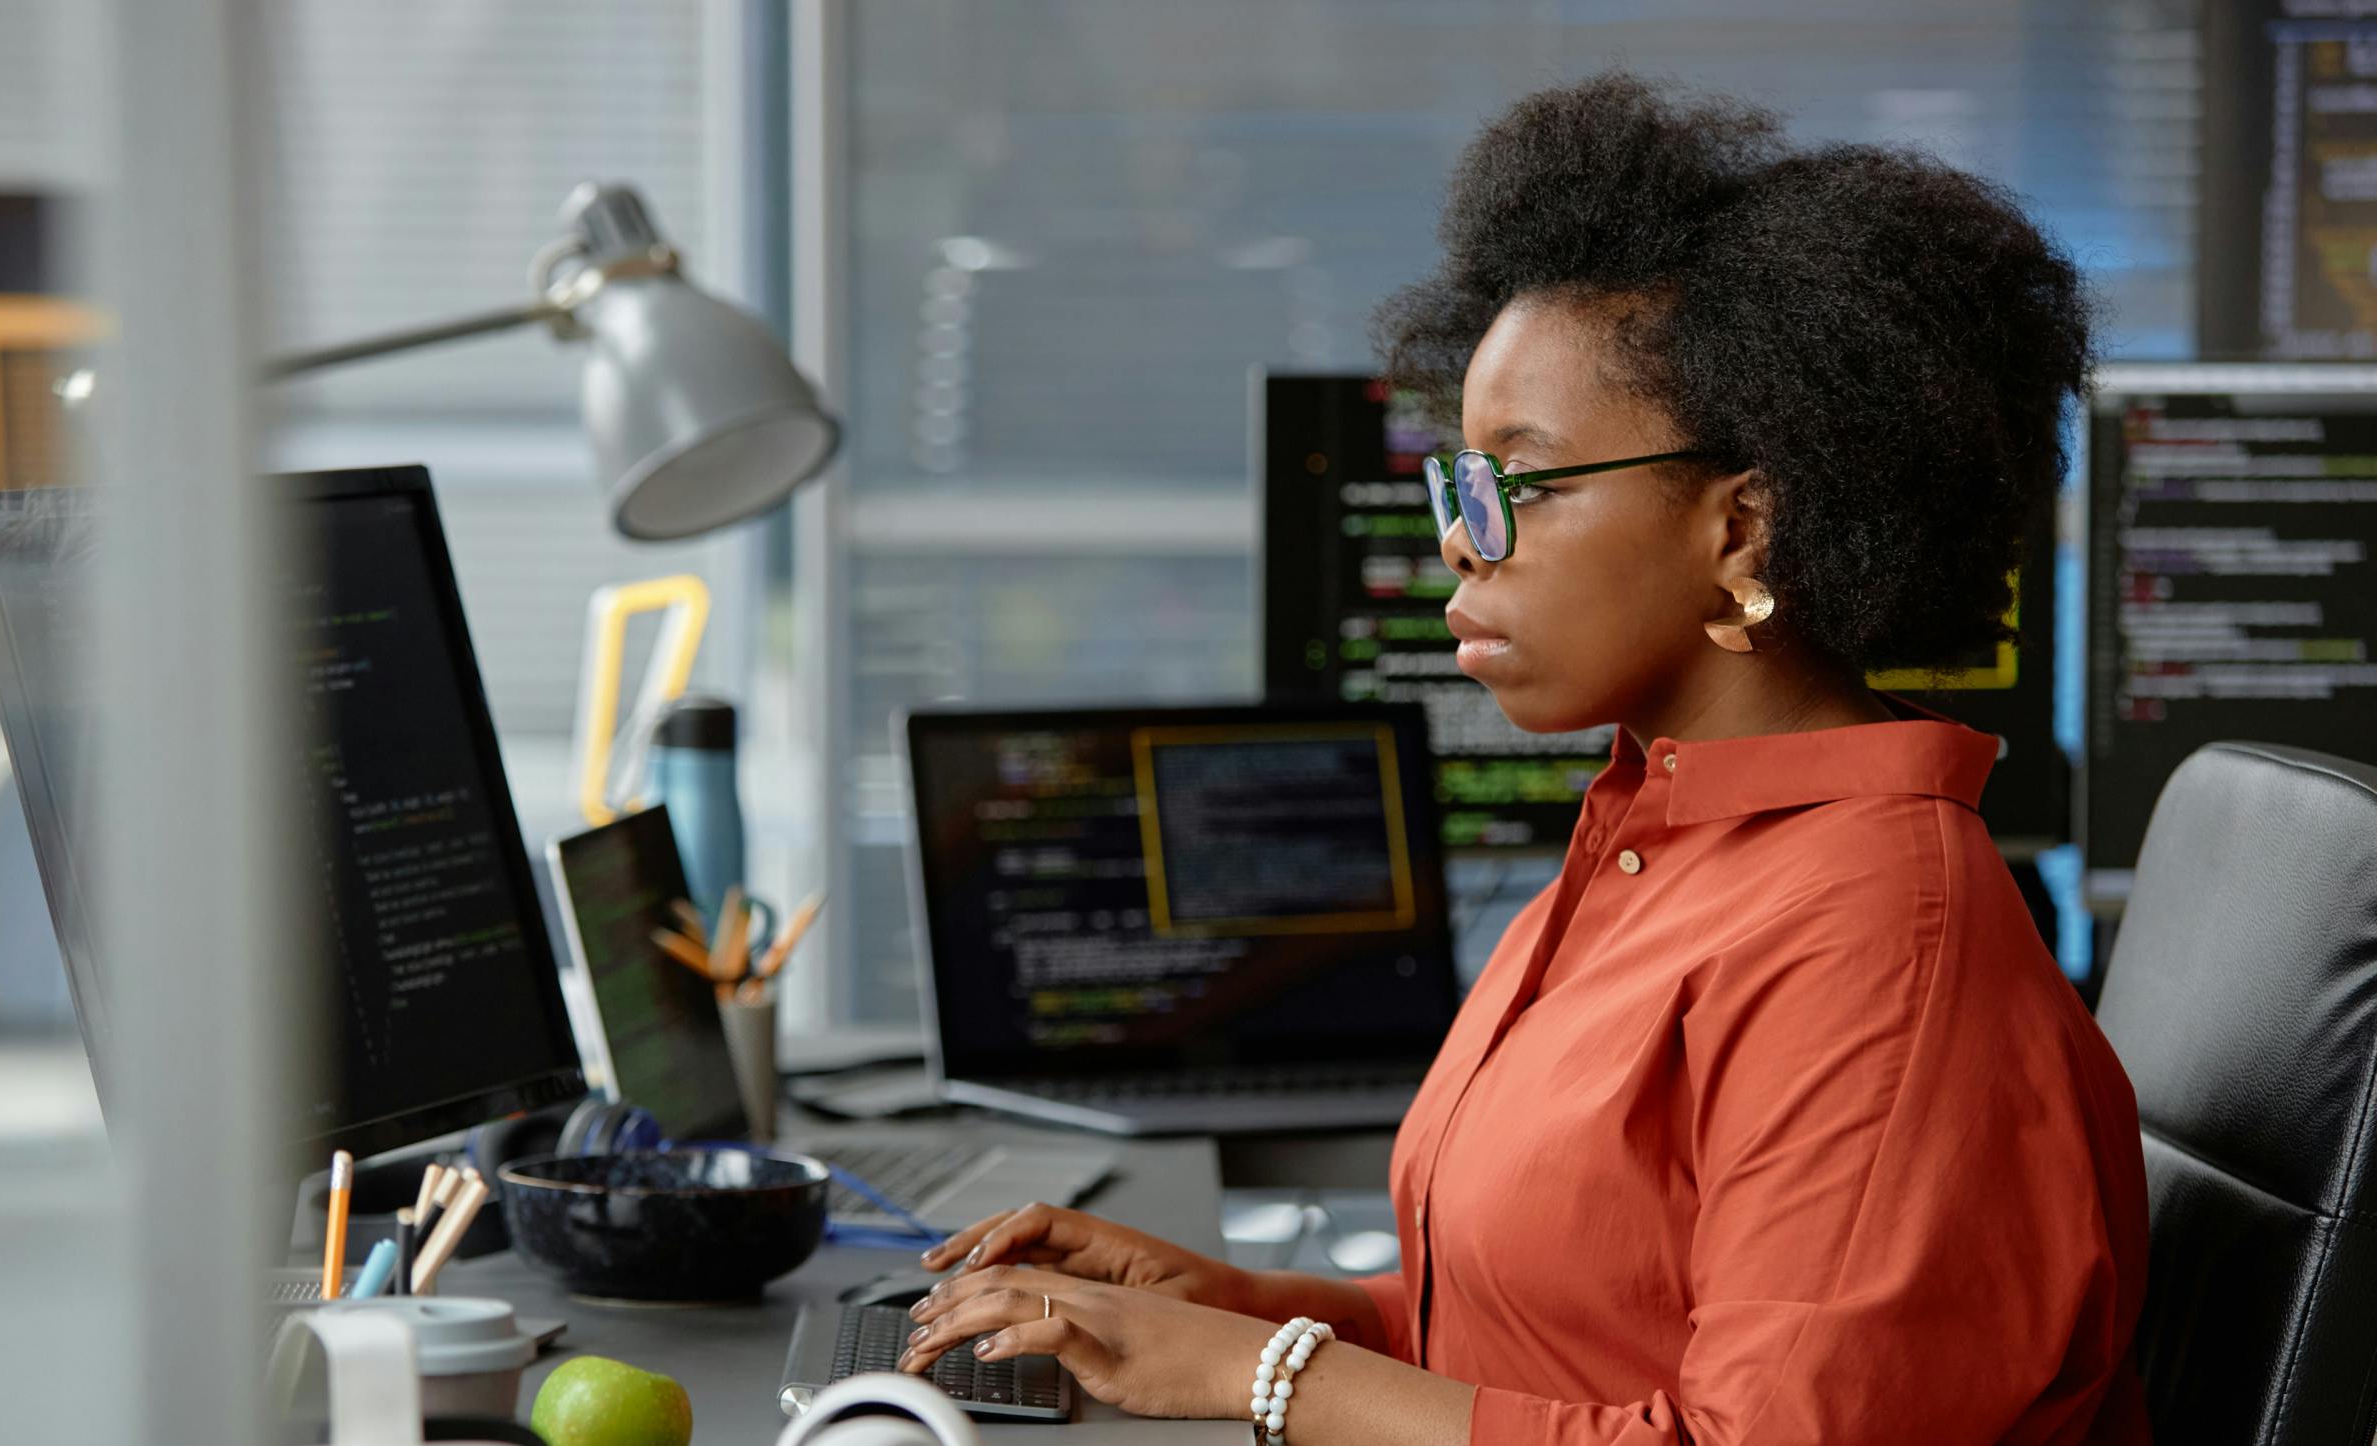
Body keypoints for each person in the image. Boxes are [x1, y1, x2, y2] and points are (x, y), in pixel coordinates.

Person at [894, 73, 2152, 1445]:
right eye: (1456, 483)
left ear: (1743, 528)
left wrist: (1264, 1378)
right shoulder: (1657, 832)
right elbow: (1552, 1335)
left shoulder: (1875, 944)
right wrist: (1239, 1306)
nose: (1459, 539)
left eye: (1516, 481)